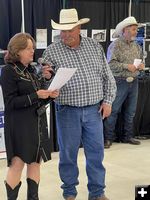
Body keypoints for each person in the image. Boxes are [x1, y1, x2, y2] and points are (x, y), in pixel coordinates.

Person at [42, 8, 116, 200]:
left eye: (70, 30)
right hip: (67, 111)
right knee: (68, 155)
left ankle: (97, 193)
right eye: (63, 31)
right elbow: (45, 84)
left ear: (79, 27)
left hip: (94, 110)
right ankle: (69, 193)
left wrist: (108, 101)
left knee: (96, 154)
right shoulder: (52, 50)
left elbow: (107, 77)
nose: (66, 35)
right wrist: (45, 78)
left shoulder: (94, 46)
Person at [1, 33, 59, 200]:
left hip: (37, 123)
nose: (32, 51)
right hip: (19, 126)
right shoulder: (8, 71)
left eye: (33, 48)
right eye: (28, 48)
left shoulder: (32, 70)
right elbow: (11, 103)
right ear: (17, 50)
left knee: (35, 163)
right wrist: (37, 95)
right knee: (17, 164)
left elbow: (39, 100)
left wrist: (49, 94)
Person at [104, 16, 144, 149]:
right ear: (124, 30)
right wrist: (127, 66)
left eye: (136, 29)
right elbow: (110, 64)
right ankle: (108, 138)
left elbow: (139, 61)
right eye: (133, 29)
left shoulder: (137, 46)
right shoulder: (115, 45)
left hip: (134, 82)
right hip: (119, 82)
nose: (135, 32)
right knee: (114, 110)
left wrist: (141, 65)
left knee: (131, 111)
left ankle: (128, 136)